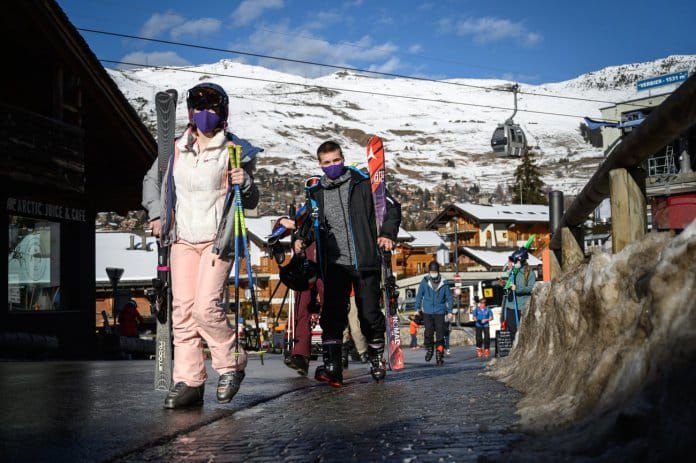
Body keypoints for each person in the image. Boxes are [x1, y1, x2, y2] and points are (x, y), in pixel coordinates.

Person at [142, 82, 261, 409]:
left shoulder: (235, 150)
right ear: (190, 112)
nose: (205, 113)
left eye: (211, 107)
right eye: (199, 106)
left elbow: (251, 199)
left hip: (216, 239)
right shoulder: (176, 147)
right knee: (181, 313)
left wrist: (245, 182)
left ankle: (232, 363)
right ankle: (190, 380)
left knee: (205, 308)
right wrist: (156, 214)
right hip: (181, 238)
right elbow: (152, 182)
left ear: (222, 112)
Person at [293, 140, 401, 387]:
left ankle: (375, 358)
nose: (333, 166)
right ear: (320, 165)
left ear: (343, 159)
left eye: (336, 160)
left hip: (364, 261)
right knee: (332, 316)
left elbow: (393, 208)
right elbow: (310, 223)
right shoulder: (316, 193)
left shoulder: (363, 183)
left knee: (369, 314)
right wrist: (301, 239)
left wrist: (387, 234)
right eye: (327, 163)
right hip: (334, 266)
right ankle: (333, 367)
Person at [414, 261, 453, 366]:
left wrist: (450, 312)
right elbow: (419, 295)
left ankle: (439, 355)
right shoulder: (425, 281)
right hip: (427, 311)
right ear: (429, 271)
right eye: (432, 271)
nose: (433, 273)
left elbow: (449, 297)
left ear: (438, 271)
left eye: (435, 271)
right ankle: (430, 349)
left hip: (440, 311)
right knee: (428, 333)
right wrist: (417, 308)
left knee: (440, 335)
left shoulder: (444, 283)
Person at [502, 247, 536, 340]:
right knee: (512, 330)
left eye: (515, 261)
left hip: (522, 306)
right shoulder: (512, 272)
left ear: (521, 260)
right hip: (511, 306)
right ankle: (515, 349)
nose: (513, 263)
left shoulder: (530, 273)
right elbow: (507, 283)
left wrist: (517, 289)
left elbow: (531, 288)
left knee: (524, 331)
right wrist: (505, 285)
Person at [342, 289, 369, 368]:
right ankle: (362, 353)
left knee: (354, 326)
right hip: (344, 292)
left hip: (350, 292)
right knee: (346, 326)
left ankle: (362, 352)